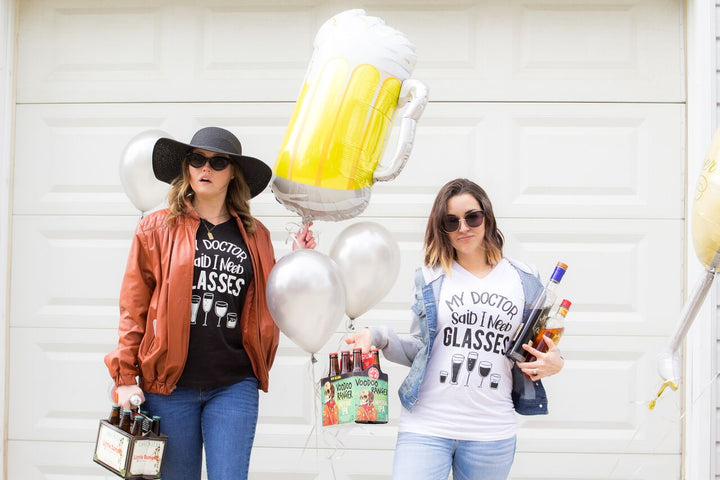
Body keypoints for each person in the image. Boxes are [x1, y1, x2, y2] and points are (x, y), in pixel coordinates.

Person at [104, 127, 315, 480]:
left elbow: (267, 300)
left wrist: (296, 262)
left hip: (234, 384)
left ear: (233, 173)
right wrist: (125, 377)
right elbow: (133, 309)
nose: (206, 168)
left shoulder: (255, 234)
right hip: (169, 388)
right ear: (187, 167)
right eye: (198, 159)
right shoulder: (156, 229)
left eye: (218, 162)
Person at [346, 178, 564, 480]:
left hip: (491, 431)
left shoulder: (525, 279)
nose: (463, 228)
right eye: (451, 221)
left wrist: (555, 363)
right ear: (442, 229)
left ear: (487, 217)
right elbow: (421, 351)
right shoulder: (431, 278)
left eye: (472, 217)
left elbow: (539, 347)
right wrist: (379, 336)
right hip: (426, 425)